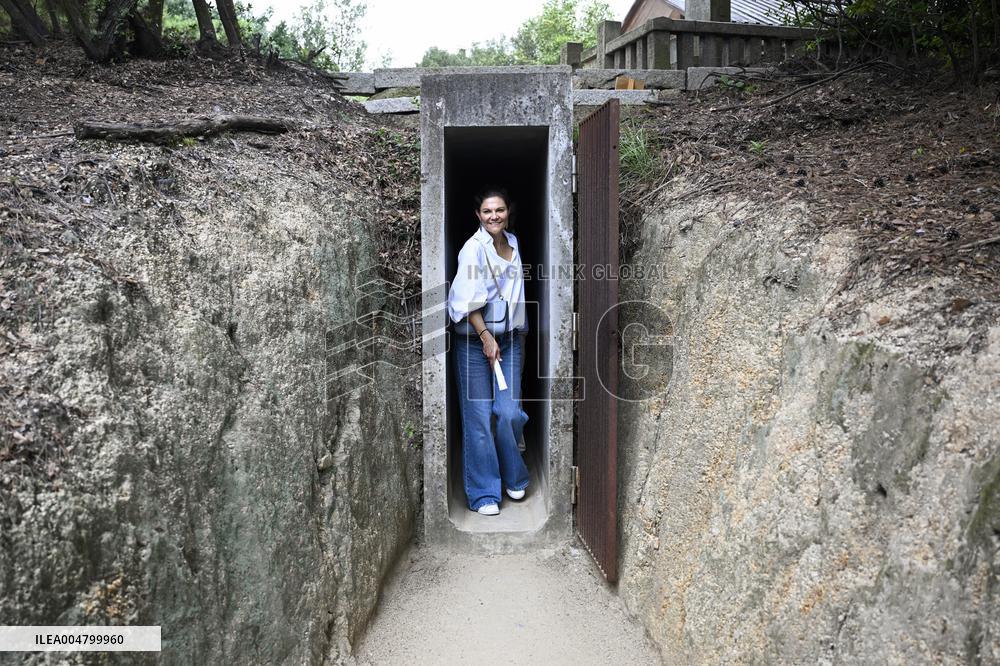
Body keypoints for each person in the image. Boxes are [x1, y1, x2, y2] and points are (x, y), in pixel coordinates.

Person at [447, 187, 530, 516]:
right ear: (478, 216)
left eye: (499, 210)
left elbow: (514, 294)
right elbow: (468, 300)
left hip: (507, 341)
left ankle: (515, 476)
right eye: (487, 211)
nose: (494, 216)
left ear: (508, 211)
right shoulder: (473, 250)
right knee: (479, 418)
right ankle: (484, 493)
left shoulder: (513, 242)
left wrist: (518, 333)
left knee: (508, 412)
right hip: (474, 342)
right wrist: (485, 337)